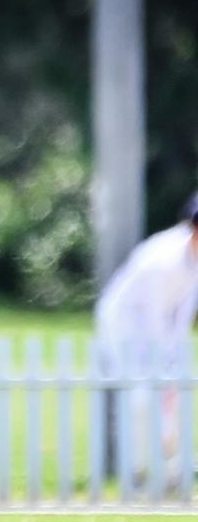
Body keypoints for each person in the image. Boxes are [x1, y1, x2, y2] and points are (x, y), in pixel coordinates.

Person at [94, 192, 198, 488]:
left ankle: (170, 467)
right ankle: (138, 470)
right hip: (124, 324)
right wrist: (163, 358)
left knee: (171, 393)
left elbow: (182, 311)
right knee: (140, 394)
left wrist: (175, 355)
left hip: (158, 328)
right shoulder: (163, 258)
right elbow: (152, 313)